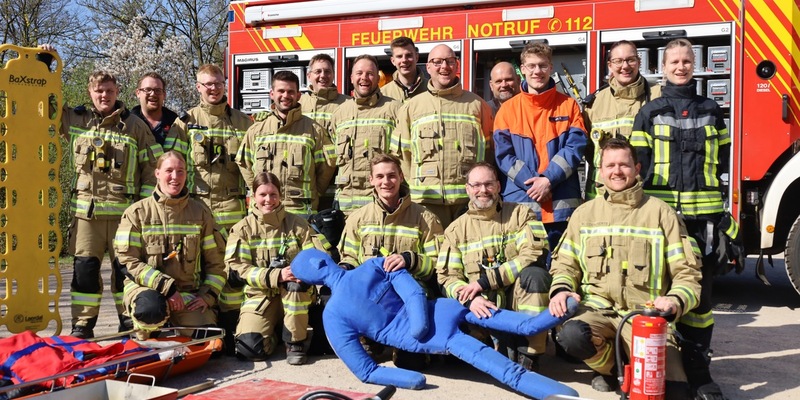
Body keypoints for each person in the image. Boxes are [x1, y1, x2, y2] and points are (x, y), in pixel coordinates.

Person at [291, 248, 581, 400]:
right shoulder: (373, 264)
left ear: (308, 282)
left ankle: (560, 395)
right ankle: (562, 309)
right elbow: (413, 290)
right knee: (523, 324)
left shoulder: (332, 317)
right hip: (443, 307)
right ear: (325, 260)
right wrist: (418, 316)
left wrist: (410, 378)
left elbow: (365, 371)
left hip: (434, 335)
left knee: (507, 372)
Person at [548, 138, 701, 399]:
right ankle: (611, 368)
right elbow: (565, 263)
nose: (616, 171)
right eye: (610, 165)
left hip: (645, 318)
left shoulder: (661, 213)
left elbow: (688, 274)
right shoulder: (584, 214)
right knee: (571, 335)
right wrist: (561, 290)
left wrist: (674, 302)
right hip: (597, 313)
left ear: (637, 168)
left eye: (624, 165)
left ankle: (637, 365)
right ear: (600, 170)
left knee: (676, 393)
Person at [630, 38, 732, 400]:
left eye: (687, 61)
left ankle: (701, 373)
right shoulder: (650, 112)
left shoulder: (711, 109)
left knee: (700, 303)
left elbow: (723, 166)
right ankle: (658, 366)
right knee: (658, 294)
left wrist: (724, 223)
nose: (681, 67)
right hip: (663, 222)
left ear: (695, 65)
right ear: (662, 67)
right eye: (674, 61)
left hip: (703, 221)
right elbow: (636, 168)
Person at [58, 66, 163, 339]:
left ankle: (128, 318)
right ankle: (82, 325)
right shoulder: (76, 119)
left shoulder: (135, 126)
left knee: (125, 271)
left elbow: (153, 168)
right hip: (86, 218)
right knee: (84, 272)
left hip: (124, 218)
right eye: (98, 91)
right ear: (90, 92)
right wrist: (46, 64)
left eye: (109, 90)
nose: (104, 95)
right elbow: (44, 104)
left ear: (118, 92)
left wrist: (144, 211)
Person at [436, 163, 551, 371]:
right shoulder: (454, 230)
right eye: (477, 185)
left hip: (515, 305)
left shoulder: (522, 214)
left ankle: (529, 353)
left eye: (488, 184)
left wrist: (486, 281)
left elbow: (533, 254)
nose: (483, 190)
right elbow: (447, 278)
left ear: (498, 186)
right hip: (480, 310)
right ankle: (490, 344)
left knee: (536, 275)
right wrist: (471, 299)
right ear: (468, 189)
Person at [172, 64, 253, 351]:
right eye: (207, 84)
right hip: (196, 207)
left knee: (231, 267)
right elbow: (173, 166)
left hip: (232, 207)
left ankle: (232, 328)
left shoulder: (244, 123)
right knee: (197, 267)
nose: (213, 88)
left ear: (225, 84)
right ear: (198, 87)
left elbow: (253, 168)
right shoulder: (185, 123)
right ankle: (203, 326)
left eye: (218, 83)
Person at [339, 154, 444, 368]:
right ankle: (370, 338)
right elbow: (348, 256)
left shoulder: (425, 218)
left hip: (410, 297)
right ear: (371, 180)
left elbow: (437, 264)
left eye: (391, 176)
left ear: (401, 177)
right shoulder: (357, 218)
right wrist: (345, 269)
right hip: (371, 297)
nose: (386, 182)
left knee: (411, 363)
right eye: (379, 176)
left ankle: (407, 345)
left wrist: (410, 259)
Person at [115, 151, 227, 339]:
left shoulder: (201, 213)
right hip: (147, 292)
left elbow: (217, 264)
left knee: (207, 341)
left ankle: (175, 323)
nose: (175, 177)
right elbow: (127, 261)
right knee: (151, 311)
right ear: (157, 173)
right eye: (169, 171)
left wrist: (206, 297)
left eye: (180, 171)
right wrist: (167, 288)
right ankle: (141, 322)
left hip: (187, 297)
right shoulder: (136, 213)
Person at [225, 172, 331, 365]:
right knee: (249, 349)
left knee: (295, 286)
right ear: (253, 196)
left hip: (295, 296)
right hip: (260, 297)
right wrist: (276, 275)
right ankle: (274, 333)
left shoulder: (298, 225)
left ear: (280, 195)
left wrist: (304, 275)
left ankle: (295, 343)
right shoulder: (242, 229)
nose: (268, 200)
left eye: (273, 194)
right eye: (263, 195)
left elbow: (316, 259)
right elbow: (237, 269)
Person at [493, 41, 586, 250]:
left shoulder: (569, 106)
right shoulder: (507, 110)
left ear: (550, 68)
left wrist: (548, 180)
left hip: (560, 210)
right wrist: (535, 184)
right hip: (521, 208)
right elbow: (503, 156)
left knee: (561, 268)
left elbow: (575, 149)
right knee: (525, 273)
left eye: (543, 65)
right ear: (523, 69)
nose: (537, 71)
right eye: (532, 66)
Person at [395, 44, 494, 227]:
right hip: (426, 204)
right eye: (437, 62)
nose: (444, 67)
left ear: (457, 66)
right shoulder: (411, 108)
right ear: (428, 67)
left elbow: (490, 154)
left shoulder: (478, 106)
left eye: (450, 61)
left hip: (469, 203)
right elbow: (402, 156)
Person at [237, 70, 336, 218]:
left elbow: (327, 167)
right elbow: (244, 163)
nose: (285, 96)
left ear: (298, 95)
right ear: (272, 93)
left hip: (301, 213)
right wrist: (259, 192)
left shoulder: (314, 130)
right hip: (264, 213)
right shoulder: (256, 130)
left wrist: (313, 193)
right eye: (281, 91)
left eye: (290, 92)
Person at [583, 40, 662, 199]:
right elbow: (589, 151)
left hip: (643, 195)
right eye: (618, 61)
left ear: (639, 62)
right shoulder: (594, 104)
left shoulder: (658, 97)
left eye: (630, 60)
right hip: (601, 196)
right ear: (610, 65)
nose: (625, 66)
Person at [330, 55, 401, 214]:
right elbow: (330, 164)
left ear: (378, 78)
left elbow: (404, 159)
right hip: (346, 209)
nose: (364, 78)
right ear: (352, 77)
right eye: (359, 73)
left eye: (370, 73)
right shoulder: (339, 114)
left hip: (384, 207)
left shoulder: (395, 110)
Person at [131, 72, 186, 155]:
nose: (153, 94)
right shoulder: (127, 124)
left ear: (164, 95)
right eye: (148, 90)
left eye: (158, 90)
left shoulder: (177, 125)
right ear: (138, 93)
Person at [380, 36, 429, 102]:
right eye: (399, 56)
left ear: (416, 57)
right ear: (393, 61)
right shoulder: (383, 94)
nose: (404, 60)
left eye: (408, 55)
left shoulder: (431, 89)